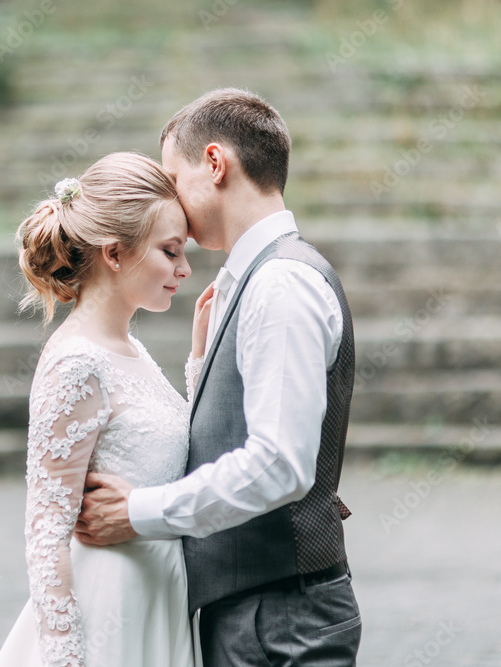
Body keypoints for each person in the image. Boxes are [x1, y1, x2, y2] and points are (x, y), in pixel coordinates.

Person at [76, 88, 362, 666]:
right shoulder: (254, 281)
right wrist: (201, 366)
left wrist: (138, 512)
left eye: (171, 179)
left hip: (279, 620)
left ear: (214, 163)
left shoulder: (280, 284)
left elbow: (279, 464)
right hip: (257, 612)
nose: (169, 202)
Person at [0, 152, 211, 667]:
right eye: (170, 251)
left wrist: (200, 362)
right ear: (114, 253)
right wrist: (64, 655)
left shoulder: (131, 349)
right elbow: (46, 529)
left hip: (157, 599)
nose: (184, 269)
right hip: (110, 608)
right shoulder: (76, 362)